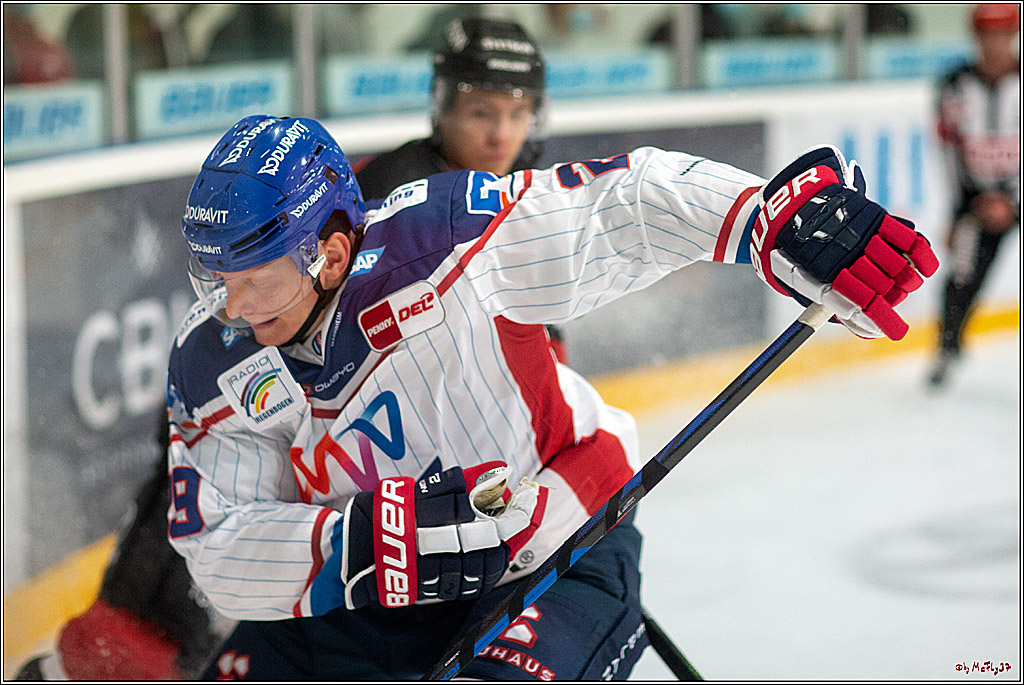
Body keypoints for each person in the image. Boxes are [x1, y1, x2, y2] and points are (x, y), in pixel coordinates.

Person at [166, 110, 937, 680]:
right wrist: (358, 546)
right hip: (362, 600)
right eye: (215, 279)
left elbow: (619, 207)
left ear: (330, 252)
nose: (230, 306)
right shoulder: (212, 359)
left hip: (555, 556)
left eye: (253, 277)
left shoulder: (447, 244)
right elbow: (216, 546)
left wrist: (769, 217)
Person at [355, 17, 567, 364]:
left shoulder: (531, 191)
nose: (501, 135)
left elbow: (546, 318)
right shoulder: (380, 186)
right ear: (443, 108)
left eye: (517, 116)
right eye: (482, 114)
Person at [928, 3, 1020, 387]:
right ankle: (948, 349)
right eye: (986, 36)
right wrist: (956, 213)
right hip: (978, 200)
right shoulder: (953, 85)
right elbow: (951, 153)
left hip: (1012, 195)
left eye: (1002, 35)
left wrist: (1013, 201)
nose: (994, 45)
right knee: (962, 274)